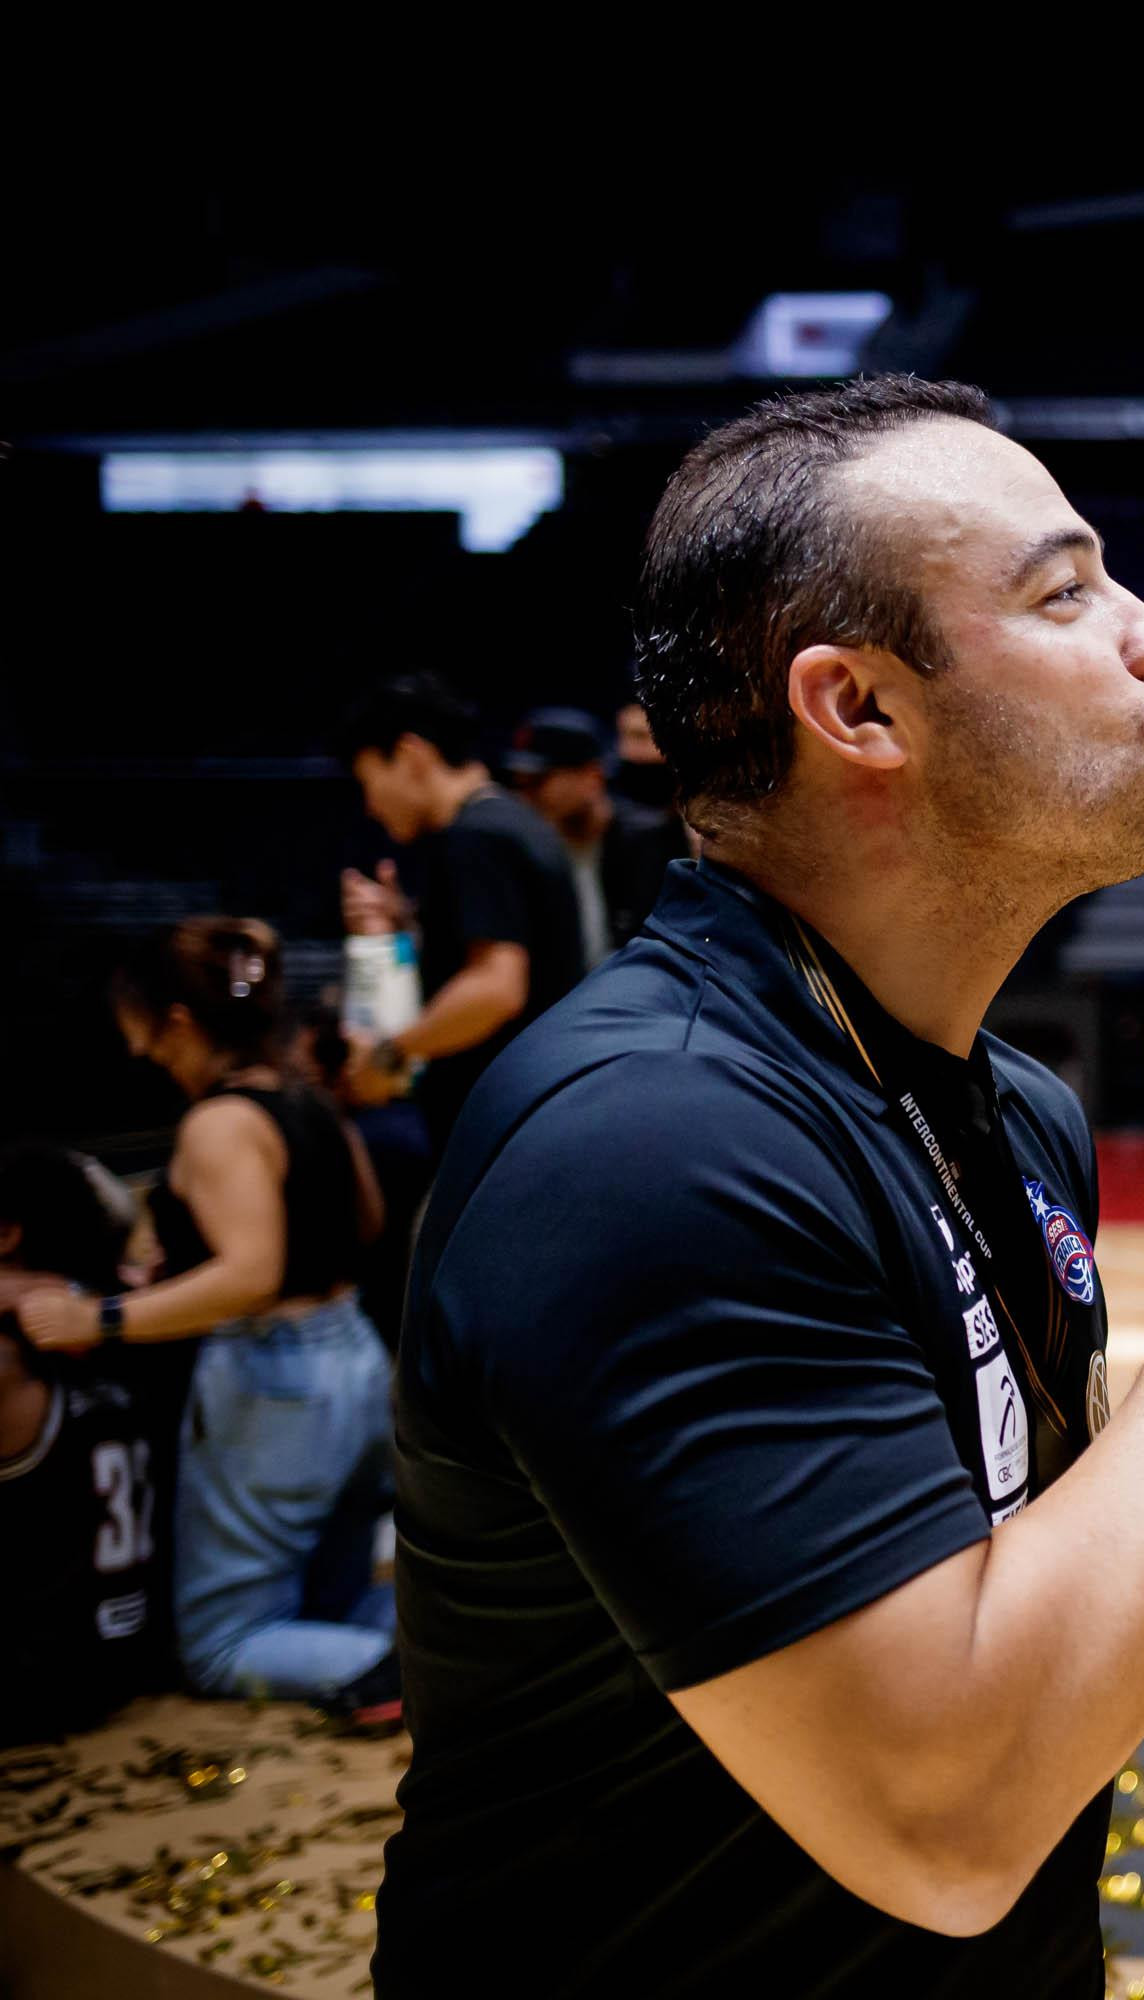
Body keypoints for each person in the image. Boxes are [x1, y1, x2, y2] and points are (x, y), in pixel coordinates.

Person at [376, 377, 1144, 1998]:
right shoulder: (651, 1147)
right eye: (1065, 592)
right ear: (858, 708)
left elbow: (1023, 1622)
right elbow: (953, 1813)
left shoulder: (1014, 1107)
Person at [17, 919, 395, 1711]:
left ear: (179, 1022)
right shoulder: (307, 1098)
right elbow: (365, 1220)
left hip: (273, 1380)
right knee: (329, 1601)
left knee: (224, 1645)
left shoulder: (218, 1122)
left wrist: (101, 1319)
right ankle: (459, 1657)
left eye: (146, 1035)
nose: (140, 1054)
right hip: (355, 1357)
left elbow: (250, 1274)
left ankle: (441, 1677)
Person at [334, 673, 585, 1142]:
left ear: (410, 756)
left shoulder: (476, 836)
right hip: (536, 1112)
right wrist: (405, 924)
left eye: (369, 781)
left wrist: (390, 1055)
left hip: (506, 1124)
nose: (371, 806)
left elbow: (496, 988)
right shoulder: (509, 820)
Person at [0, 1143, 174, 1742]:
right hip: (130, 1654)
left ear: (6, 1235)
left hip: (33, 1682)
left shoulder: (9, 1357)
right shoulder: (134, 1320)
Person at [501, 705, 686, 965]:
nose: (527, 796)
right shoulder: (529, 849)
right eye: (519, 783)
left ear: (592, 777)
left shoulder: (649, 843)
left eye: (539, 781)